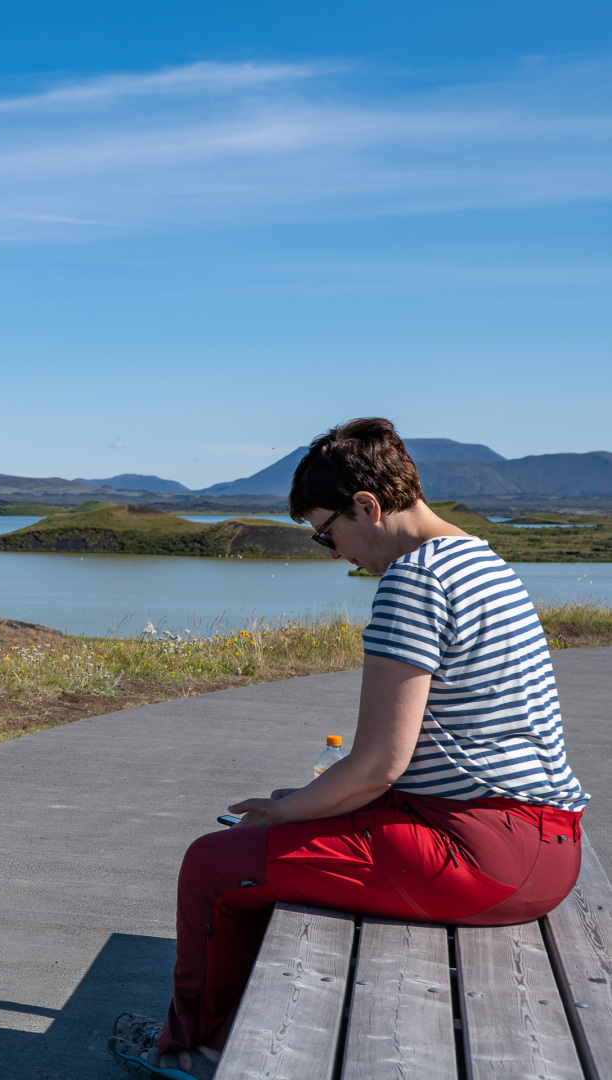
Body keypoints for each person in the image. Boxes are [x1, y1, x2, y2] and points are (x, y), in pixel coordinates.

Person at [109, 418, 588, 1079]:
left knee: (213, 866)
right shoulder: (482, 560)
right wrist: (307, 803)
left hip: (479, 854)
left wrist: (287, 813)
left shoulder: (412, 581)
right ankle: (215, 1034)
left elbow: (377, 766)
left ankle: (194, 1050)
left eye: (325, 531)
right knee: (281, 831)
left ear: (366, 506)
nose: (332, 551)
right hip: (552, 852)